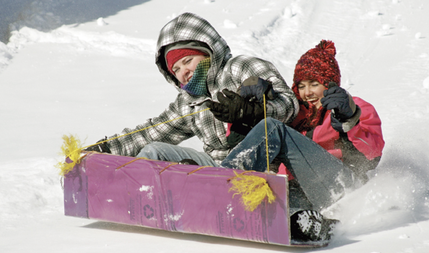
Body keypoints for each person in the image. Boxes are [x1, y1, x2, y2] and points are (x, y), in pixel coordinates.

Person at [220, 40, 385, 243]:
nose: (307, 92)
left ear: (330, 83)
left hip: (341, 186)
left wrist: (348, 119)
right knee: (280, 206)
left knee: (273, 128)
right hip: (304, 192)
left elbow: (372, 155)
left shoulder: (354, 106)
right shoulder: (294, 112)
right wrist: (247, 115)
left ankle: (221, 183)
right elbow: (244, 142)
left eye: (314, 84)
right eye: (301, 86)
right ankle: (309, 226)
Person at [85, 12, 298, 166]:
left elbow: (289, 104)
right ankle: (137, 197)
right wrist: (107, 148)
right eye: (175, 69)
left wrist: (254, 112)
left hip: (263, 165)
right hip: (217, 170)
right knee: (153, 151)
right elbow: (152, 132)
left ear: (208, 52)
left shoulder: (241, 67)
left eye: (188, 60)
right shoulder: (189, 102)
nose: (183, 71)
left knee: (259, 137)